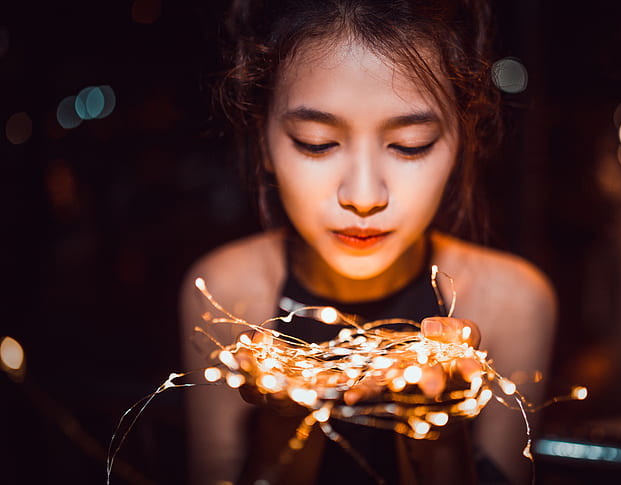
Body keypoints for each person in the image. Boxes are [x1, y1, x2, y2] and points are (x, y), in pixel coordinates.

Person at [179, 1, 556, 484]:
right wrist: (286, 421)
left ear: (463, 139)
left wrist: (437, 435)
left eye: (410, 145)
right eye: (315, 142)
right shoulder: (223, 293)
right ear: (263, 140)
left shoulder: (514, 302)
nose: (362, 197)